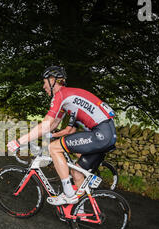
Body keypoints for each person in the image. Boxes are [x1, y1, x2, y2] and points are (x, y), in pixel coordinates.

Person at [7, 66, 117, 206]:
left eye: (45, 82)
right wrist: (39, 136)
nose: (43, 86)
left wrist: (19, 141)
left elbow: (46, 125)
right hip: (107, 134)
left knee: (54, 148)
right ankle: (80, 212)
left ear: (52, 80)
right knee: (77, 174)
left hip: (101, 133)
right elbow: (52, 126)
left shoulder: (61, 95)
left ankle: (68, 194)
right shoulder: (67, 99)